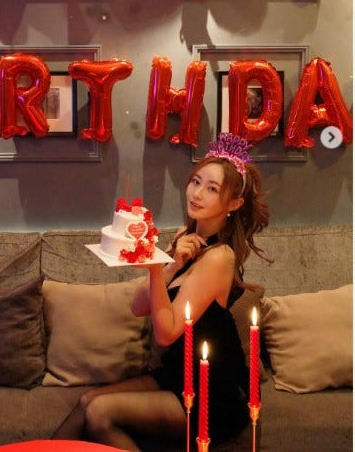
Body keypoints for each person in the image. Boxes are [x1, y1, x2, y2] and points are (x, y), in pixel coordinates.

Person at [53, 133, 270, 451]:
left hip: (213, 392)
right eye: (196, 182)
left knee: (100, 413)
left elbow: (166, 333)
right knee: (87, 401)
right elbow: (138, 306)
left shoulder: (219, 258)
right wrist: (169, 265)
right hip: (178, 374)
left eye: (212, 189)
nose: (197, 194)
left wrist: (156, 268)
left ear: (233, 204)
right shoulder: (185, 237)